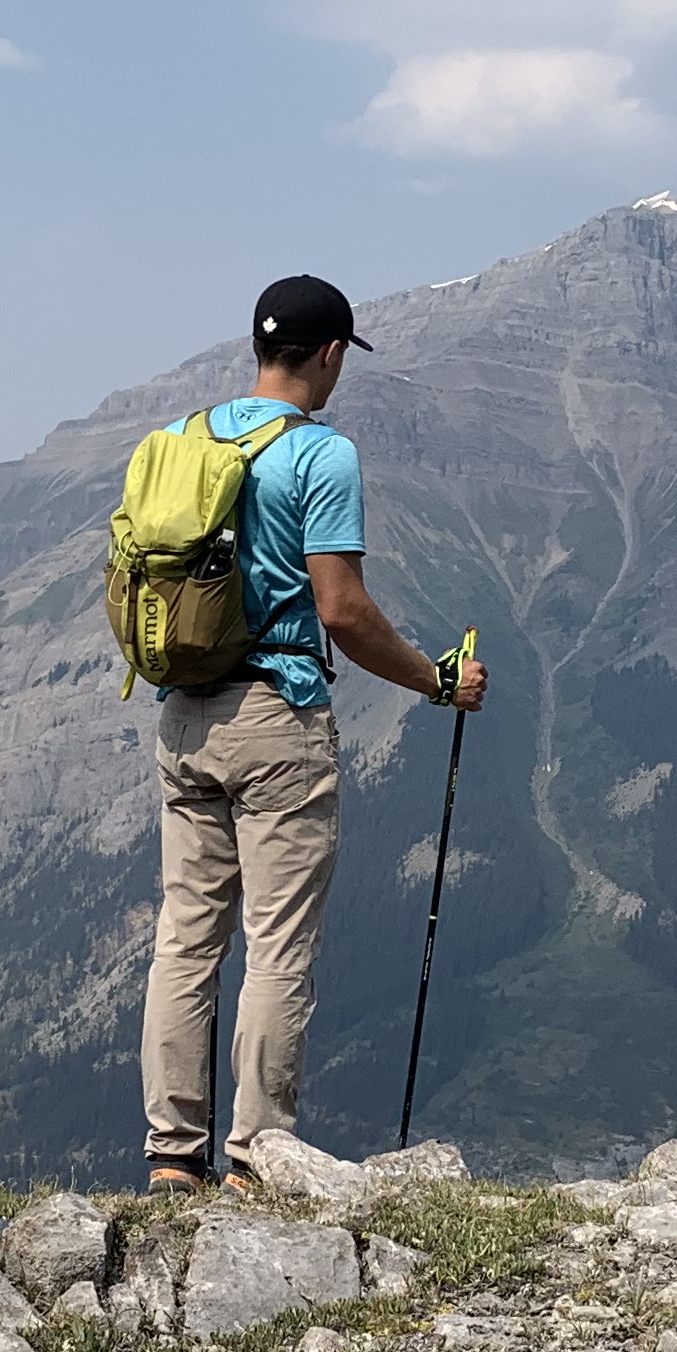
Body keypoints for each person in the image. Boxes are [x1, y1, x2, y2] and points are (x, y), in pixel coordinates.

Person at [141, 272, 487, 1190]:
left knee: (186, 937)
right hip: (276, 717)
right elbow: (342, 612)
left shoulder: (177, 440)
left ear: (260, 349)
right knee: (278, 942)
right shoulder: (320, 456)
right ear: (330, 353)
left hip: (182, 712)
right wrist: (436, 682)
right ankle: (257, 1161)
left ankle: (174, 1163)